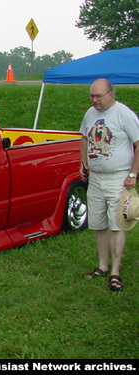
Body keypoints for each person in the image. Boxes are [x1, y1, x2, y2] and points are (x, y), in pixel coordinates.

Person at [79, 78, 139, 292]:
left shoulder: (124, 114)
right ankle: (102, 266)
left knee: (117, 224)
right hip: (96, 177)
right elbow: (84, 137)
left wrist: (133, 173)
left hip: (118, 177)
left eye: (98, 96)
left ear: (110, 94)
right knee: (98, 223)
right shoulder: (90, 113)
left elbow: (138, 143)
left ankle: (115, 272)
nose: (94, 100)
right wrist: (83, 162)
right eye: (92, 96)